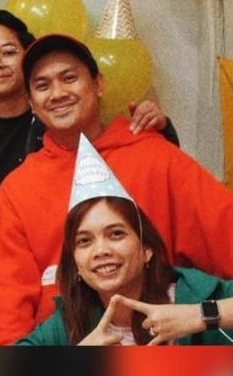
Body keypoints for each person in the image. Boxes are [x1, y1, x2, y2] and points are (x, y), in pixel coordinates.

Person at [0, 11, 175, 345]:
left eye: (8, 52)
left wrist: (163, 130)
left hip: (104, 309)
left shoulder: (74, 130)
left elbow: (143, 176)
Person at [0, 33, 233, 345]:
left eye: (69, 78)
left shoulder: (157, 158)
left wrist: (202, 315)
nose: (57, 93)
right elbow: (5, 311)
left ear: (98, 84)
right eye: (43, 85)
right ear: (31, 102)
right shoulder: (18, 188)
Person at [18, 136, 233, 346]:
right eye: (85, 241)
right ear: (75, 264)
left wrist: (198, 316)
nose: (101, 250)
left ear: (147, 249)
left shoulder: (193, 294)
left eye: (116, 234)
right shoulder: (67, 322)